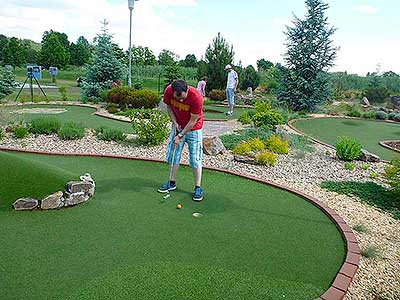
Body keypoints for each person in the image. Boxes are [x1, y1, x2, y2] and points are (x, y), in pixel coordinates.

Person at [158, 80, 204, 201]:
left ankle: (198, 187)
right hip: (178, 125)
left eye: (183, 98)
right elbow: (168, 107)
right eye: (178, 99)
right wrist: (174, 122)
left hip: (194, 128)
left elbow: (193, 120)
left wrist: (180, 136)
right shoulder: (168, 91)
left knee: (195, 158)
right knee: (174, 154)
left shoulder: (196, 97)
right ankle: (171, 182)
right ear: (172, 92)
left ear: (187, 90)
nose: (181, 101)